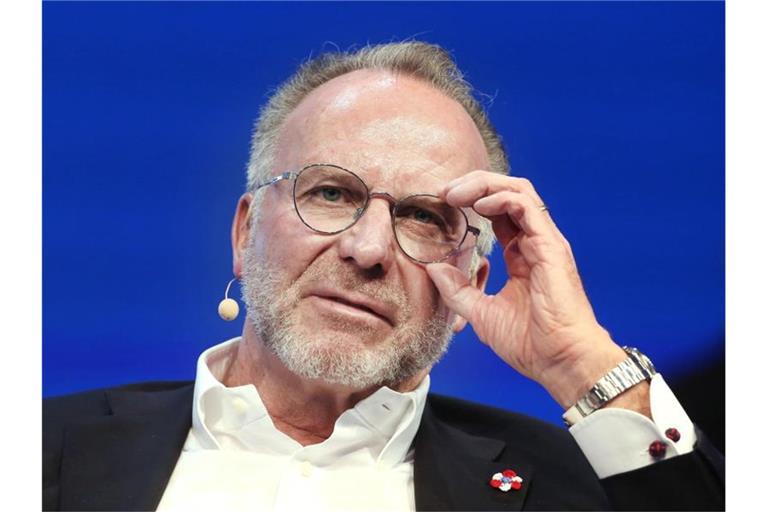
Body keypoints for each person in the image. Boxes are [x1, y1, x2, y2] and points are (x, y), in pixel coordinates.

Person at [43, 41, 724, 511]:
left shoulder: (579, 487)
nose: (368, 249)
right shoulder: (41, 447)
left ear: (471, 283)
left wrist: (581, 363)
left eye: (424, 216)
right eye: (330, 192)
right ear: (246, 231)